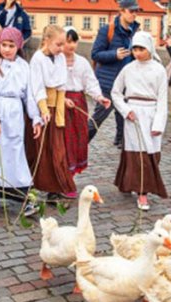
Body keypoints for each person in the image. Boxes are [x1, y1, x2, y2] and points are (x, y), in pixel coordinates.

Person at [0, 28, 42, 216]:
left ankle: (24, 192)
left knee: (16, 152)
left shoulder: (23, 67)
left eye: (11, 46)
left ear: (18, 47)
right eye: (4, 45)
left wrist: (35, 118)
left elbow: (30, 95)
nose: (7, 49)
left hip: (15, 111)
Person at [111, 31, 168, 210]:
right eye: (134, 49)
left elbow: (163, 99)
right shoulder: (128, 69)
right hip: (133, 114)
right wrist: (126, 110)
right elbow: (116, 92)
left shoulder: (159, 70)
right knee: (136, 154)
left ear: (149, 48)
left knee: (151, 153)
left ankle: (129, 182)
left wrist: (159, 123)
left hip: (151, 114)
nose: (137, 53)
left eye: (141, 48)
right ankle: (142, 192)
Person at [29, 24, 76, 201]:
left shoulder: (60, 58)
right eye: (58, 44)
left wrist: (62, 101)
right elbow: (38, 86)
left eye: (63, 44)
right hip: (45, 108)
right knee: (45, 149)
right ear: (47, 41)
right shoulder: (38, 59)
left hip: (57, 108)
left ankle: (57, 186)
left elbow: (61, 84)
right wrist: (43, 109)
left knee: (58, 149)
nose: (61, 48)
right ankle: (43, 185)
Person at [63, 27, 111, 197]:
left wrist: (99, 97)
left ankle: (70, 177)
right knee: (63, 142)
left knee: (77, 140)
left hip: (78, 104)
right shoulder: (55, 61)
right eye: (68, 41)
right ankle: (63, 180)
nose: (71, 45)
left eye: (74, 41)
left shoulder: (82, 62)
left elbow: (90, 82)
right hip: (61, 104)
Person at [88, 0, 140, 147]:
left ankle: (122, 144)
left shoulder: (135, 32)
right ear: (122, 11)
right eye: (131, 11)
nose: (135, 14)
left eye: (137, 11)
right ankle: (79, 145)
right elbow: (95, 54)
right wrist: (114, 55)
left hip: (127, 83)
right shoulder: (107, 30)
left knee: (123, 117)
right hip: (108, 84)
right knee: (97, 119)